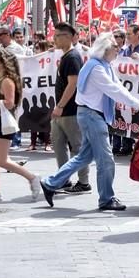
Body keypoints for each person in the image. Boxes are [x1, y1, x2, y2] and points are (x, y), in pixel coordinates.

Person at [40, 33, 139, 210]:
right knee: (106, 160)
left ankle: (50, 183)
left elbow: (118, 87)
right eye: (115, 47)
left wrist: (136, 102)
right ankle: (106, 199)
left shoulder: (102, 65)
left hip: (91, 114)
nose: (118, 49)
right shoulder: (97, 68)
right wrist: (137, 104)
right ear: (105, 50)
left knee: (84, 157)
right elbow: (113, 90)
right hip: (92, 116)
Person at [0, 49, 41, 202]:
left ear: (5, 63)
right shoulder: (1, 77)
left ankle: (32, 177)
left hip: (2, 121)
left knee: (1, 160)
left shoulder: (7, 81)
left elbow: (10, 103)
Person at [49, 22, 90, 193]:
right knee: (58, 145)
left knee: (77, 147)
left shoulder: (73, 57)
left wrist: (60, 106)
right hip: (61, 112)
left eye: (57, 36)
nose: (54, 39)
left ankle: (83, 182)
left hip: (71, 111)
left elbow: (72, 84)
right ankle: (63, 178)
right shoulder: (66, 56)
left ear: (67, 37)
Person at [114, 24, 139, 156]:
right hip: (127, 87)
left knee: (136, 117)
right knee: (124, 116)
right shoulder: (125, 50)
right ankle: (123, 145)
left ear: (137, 34)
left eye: (130, 34)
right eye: (127, 34)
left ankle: (135, 145)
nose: (128, 37)